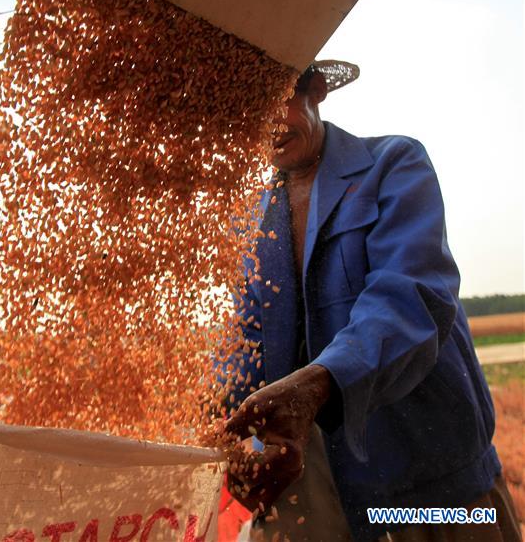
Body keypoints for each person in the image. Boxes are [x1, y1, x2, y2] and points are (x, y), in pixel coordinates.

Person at [221, 61, 521, 541]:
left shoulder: (393, 166)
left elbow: (410, 296)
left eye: (275, 102)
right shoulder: (250, 221)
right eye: (248, 114)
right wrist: (220, 421)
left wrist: (320, 383)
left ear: (315, 90)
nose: (268, 127)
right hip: (311, 479)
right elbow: (244, 339)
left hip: (426, 482)